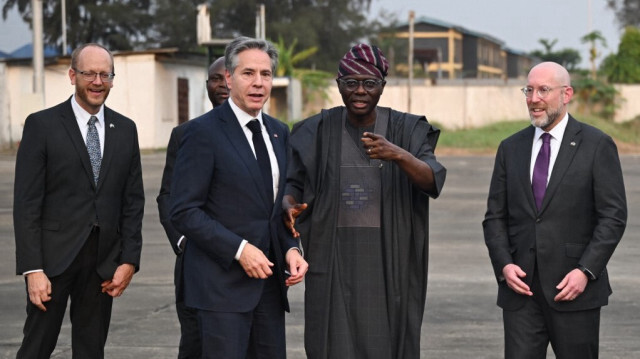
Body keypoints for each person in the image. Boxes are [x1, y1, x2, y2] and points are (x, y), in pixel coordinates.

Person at [283, 43, 447, 359]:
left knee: (388, 344)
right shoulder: (315, 129)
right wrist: (289, 204)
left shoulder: (407, 129)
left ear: (382, 86)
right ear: (338, 84)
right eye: (351, 82)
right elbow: (293, 183)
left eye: (369, 83)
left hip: (391, 261)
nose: (360, 91)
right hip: (333, 261)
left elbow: (433, 180)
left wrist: (397, 154)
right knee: (332, 345)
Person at [169, 36, 308, 358]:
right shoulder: (201, 133)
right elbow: (184, 211)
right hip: (219, 290)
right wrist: (240, 250)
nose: (258, 83)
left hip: (269, 289)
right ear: (229, 78)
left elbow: (275, 209)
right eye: (248, 74)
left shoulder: (279, 132)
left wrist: (291, 250)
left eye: (266, 74)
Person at [482, 61, 627, 359]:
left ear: (567, 94)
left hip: (574, 289)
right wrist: (504, 265)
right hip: (521, 292)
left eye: (543, 90)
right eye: (529, 90)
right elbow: (494, 216)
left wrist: (586, 271)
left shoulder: (597, 145)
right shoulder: (510, 148)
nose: (534, 98)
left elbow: (613, 216)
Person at [13, 43, 145, 358]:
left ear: (113, 79)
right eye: (89, 74)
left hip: (102, 264)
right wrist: (33, 269)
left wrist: (129, 260)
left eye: (105, 75)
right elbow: (26, 203)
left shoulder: (125, 130)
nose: (98, 82)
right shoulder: (41, 125)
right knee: (36, 347)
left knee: (91, 350)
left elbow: (133, 201)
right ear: (73, 75)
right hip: (52, 263)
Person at [156, 56, 228, 358]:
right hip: (195, 265)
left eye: (228, 77)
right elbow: (167, 196)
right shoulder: (184, 134)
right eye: (215, 79)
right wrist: (184, 242)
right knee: (195, 344)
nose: (222, 84)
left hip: (247, 263)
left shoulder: (268, 133)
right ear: (207, 85)